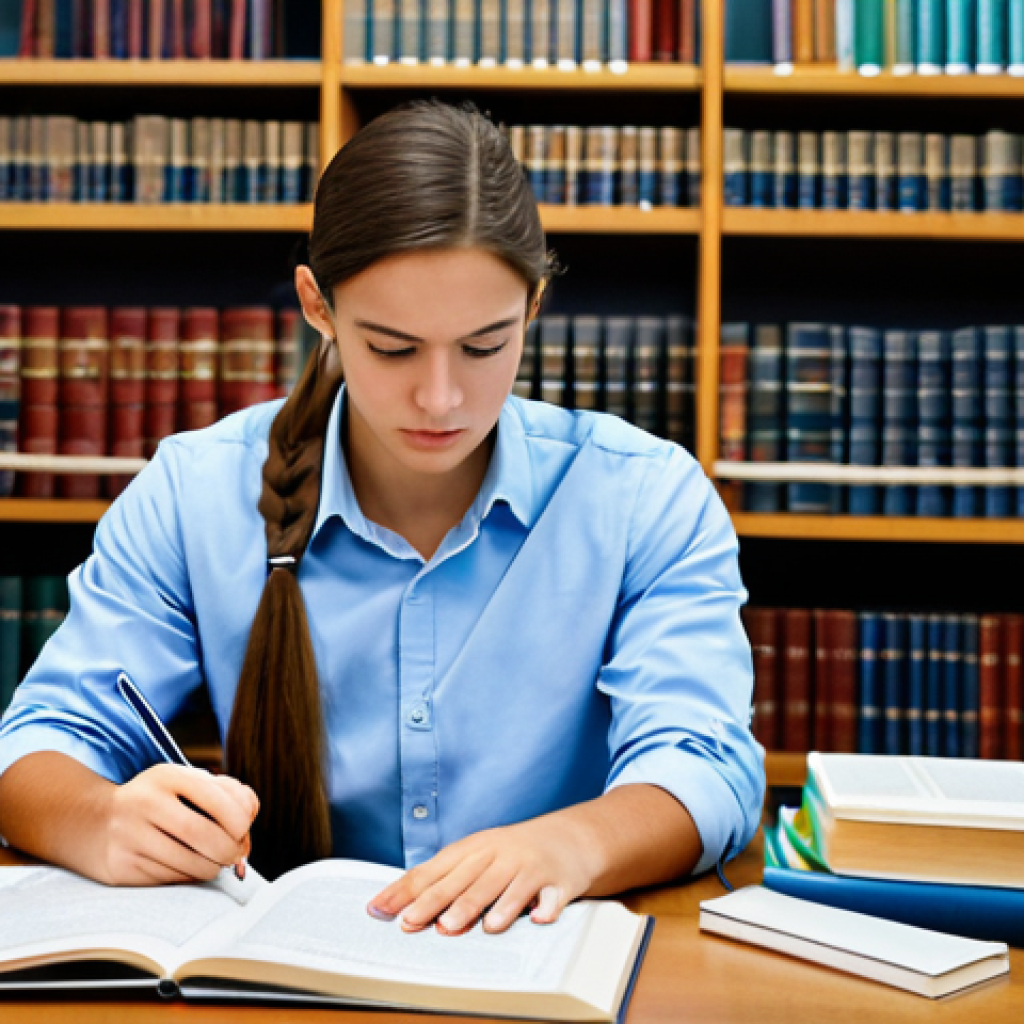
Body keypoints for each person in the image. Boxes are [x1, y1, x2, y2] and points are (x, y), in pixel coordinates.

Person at [0, 101, 764, 938]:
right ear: (317, 306)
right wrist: (102, 820)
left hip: (539, 964)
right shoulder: (196, 492)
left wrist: (574, 843)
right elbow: (40, 739)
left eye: (484, 347)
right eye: (392, 348)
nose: (440, 398)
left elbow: (707, 766)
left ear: (534, 307)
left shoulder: (644, 496)